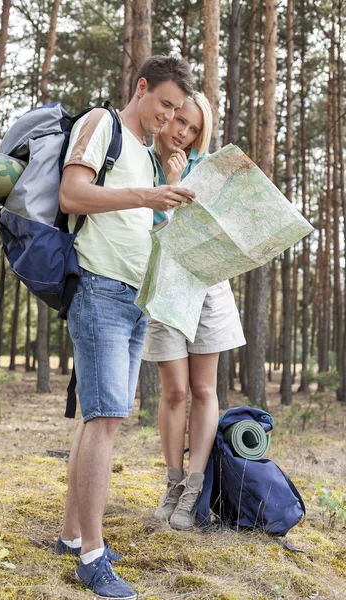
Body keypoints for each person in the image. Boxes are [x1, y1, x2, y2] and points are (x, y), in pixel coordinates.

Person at [56, 55, 195, 600]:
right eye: (164, 105)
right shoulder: (101, 125)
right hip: (99, 289)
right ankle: (92, 557)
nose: (169, 119)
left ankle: (72, 537)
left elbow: (139, 221)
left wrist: (168, 196)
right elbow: (73, 195)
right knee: (106, 419)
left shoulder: (143, 153)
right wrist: (146, 195)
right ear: (140, 89)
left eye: (177, 110)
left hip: (135, 298)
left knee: (98, 419)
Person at [142, 92, 246, 531]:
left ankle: (194, 489)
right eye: (179, 120)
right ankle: (172, 480)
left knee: (204, 391)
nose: (182, 132)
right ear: (164, 116)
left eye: (193, 128)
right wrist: (169, 184)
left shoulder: (211, 170)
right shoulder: (141, 161)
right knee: (176, 393)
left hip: (209, 288)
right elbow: (147, 233)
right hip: (166, 289)